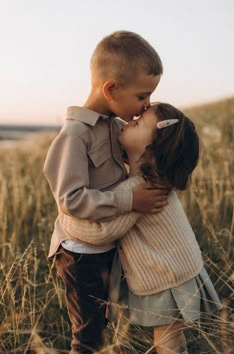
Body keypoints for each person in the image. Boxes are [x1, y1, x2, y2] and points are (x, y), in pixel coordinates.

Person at [62, 103, 222, 354]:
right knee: (172, 335)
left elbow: (104, 232)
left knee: (167, 340)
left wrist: (66, 219)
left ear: (152, 149)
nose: (131, 120)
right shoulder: (155, 181)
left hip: (167, 277)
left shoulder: (140, 189)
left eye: (137, 123)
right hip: (180, 270)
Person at [43, 31, 168, 354]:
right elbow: (70, 200)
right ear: (111, 89)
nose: (146, 105)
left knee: (110, 322)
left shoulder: (114, 127)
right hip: (80, 253)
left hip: (108, 243)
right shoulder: (75, 135)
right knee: (89, 335)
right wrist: (130, 199)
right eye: (142, 96)